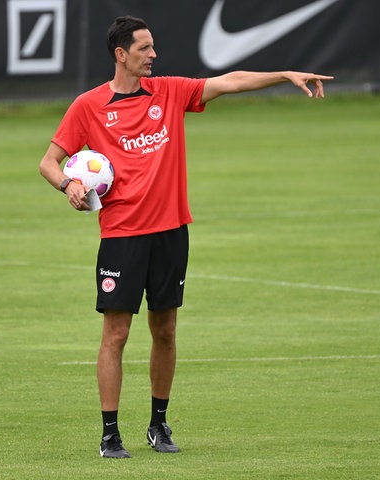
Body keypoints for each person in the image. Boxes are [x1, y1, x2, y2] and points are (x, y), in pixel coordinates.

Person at [39, 15, 333, 459]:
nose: (153, 54)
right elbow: (49, 162)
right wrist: (70, 185)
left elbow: (230, 81)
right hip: (122, 235)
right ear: (121, 55)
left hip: (171, 232)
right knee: (116, 334)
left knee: (167, 330)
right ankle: (109, 434)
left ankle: (158, 424)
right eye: (144, 48)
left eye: (153, 46)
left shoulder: (170, 92)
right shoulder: (89, 106)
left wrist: (283, 74)